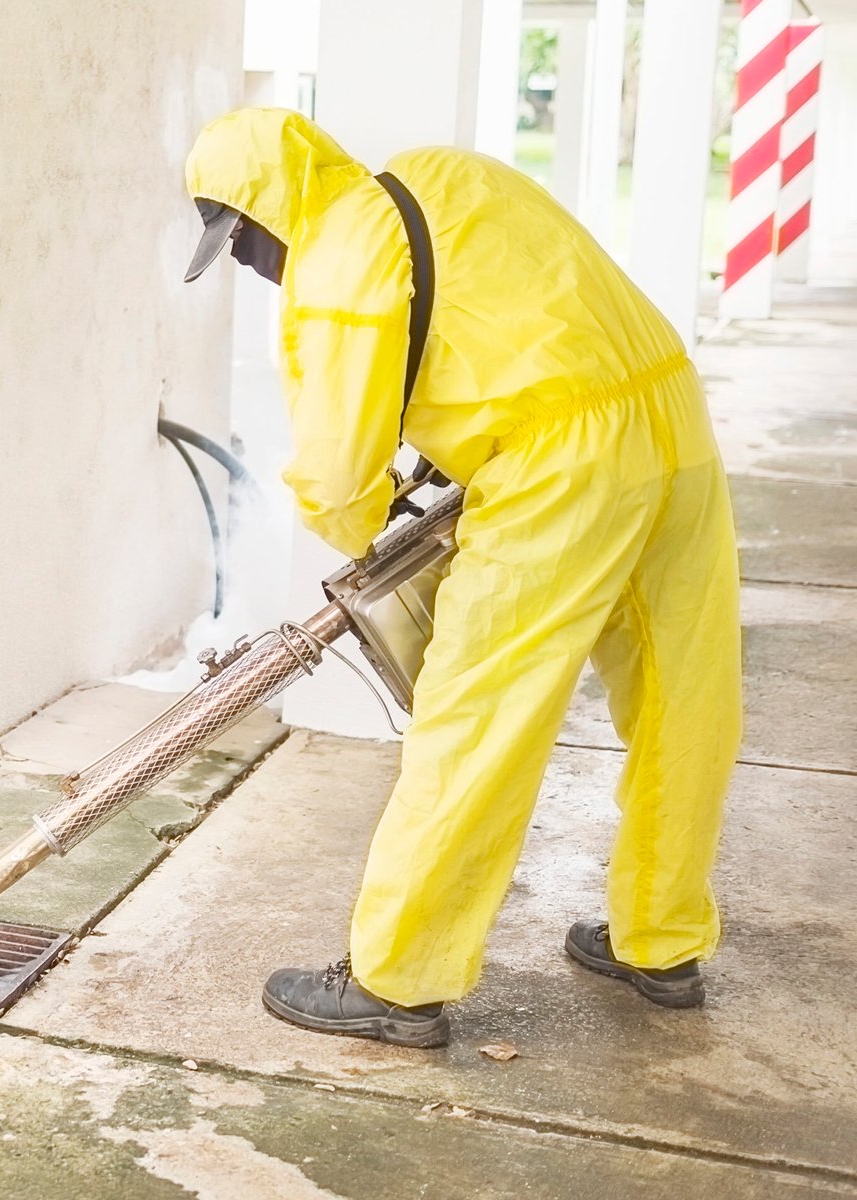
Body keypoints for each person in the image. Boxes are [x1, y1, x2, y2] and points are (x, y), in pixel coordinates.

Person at [182, 107, 741, 1049]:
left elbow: (337, 480)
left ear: (268, 211)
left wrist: (363, 524)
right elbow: (517, 309)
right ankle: (663, 935)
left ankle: (396, 980)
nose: (247, 264)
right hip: (667, 411)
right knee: (684, 692)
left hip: (559, 467)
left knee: (480, 712)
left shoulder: (337, 264)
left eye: (240, 241)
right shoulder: (442, 173)